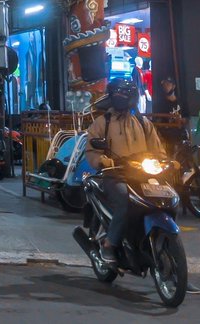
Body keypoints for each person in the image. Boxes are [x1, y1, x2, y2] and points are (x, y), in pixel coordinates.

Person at [85, 77, 165, 263]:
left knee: (167, 199)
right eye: (118, 93)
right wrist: (102, 161)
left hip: (143, 175)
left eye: (125, 93)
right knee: (124, 202)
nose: (122, 97)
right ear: (112, 96)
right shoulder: (101, 123)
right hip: (114, 176)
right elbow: (91, 151)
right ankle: (109, 245)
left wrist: (167, 161)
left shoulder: (143, 122)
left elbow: (158, 149)